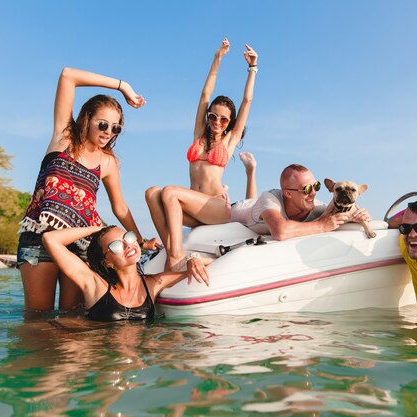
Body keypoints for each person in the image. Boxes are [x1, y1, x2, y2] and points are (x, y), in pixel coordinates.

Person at [17, 67, 158, 312]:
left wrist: (140, 240)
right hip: (39, 239)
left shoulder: (108, 162)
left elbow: (120, 207)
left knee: (73, 320)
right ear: (87, 118)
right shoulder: (64, 138)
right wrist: (123, 86)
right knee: (37, 322)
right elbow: (67, 76)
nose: (108, 132)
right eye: (103, 124)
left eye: (115, 128)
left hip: (82, 244)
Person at [145, 38, 258, 271]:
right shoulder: (199, 134)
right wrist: (217, 58)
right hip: (193, 210)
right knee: (152, 193)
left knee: (169, 192)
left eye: (223, 119)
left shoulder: (229, 140)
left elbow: (247, 101)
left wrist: (252, 69)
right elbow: (205, 93)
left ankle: (175, 256)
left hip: (215, 208)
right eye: (213, 116)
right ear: (208, 116)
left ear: (229, 123)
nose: (217, 121)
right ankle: (171, 248)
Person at [42, 226, 209, 322]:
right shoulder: (95, 286)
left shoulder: (154, 283)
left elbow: (207, 266)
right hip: (95, 353)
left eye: (128, 237)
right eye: (116, 246)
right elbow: (50, 239)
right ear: (107, 262)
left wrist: (192, 258)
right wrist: (98, 229)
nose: (127, 245)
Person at [230, 164, 371, 241]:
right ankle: (251, 170)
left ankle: (250, 171)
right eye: (307, 189)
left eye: (316, 186)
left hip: (255, 206)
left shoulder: (318, 208)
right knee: (244, 203)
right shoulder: (270, 198)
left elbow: (345, 212)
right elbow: (280, 231)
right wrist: (322, 225)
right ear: (288, 193)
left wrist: (362, 216)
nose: (313, 193)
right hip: (238, 209)